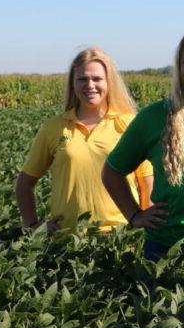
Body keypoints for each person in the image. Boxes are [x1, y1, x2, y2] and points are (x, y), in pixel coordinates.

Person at [102, 28, 184, 261]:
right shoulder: (154, 117)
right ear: (179, 67)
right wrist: (134, 215)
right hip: (166, 250)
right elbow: (112, 172)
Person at [16, 47, 152, 233]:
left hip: (121, 238)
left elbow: (147, 183)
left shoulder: (130, 124)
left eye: (97, 79)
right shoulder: (54, 127)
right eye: (82, 79)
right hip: (67, 240)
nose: (90, 85)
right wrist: (33, 227)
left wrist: (145, 225)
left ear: (109, 82)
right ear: (73, 84)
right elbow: (24, 183)